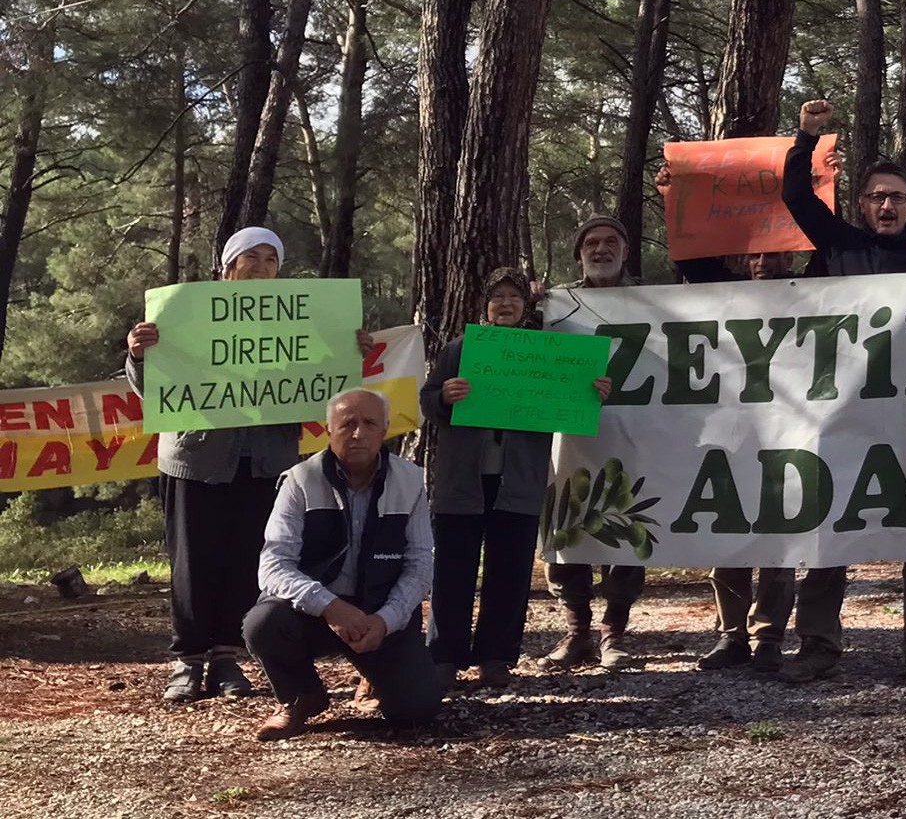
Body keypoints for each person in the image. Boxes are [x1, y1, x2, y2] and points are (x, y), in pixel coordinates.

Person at [122, 226, 371, 703]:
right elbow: (151, 387)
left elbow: (323, 394)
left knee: (247, 560)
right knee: (193, 563)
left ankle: (227, 658)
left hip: (265, 462)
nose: (260, 267)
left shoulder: (298, 325)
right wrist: (138, 354)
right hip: (195, 459)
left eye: (270, 260)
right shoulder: (187, 316)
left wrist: (347, 353)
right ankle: (187, 661)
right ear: (228, 266)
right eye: (249, 258)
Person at [781, 98, 906, 688]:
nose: (887, 206)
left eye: (898, 198)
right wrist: (806, 139)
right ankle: (818, 643)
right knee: (829, 519)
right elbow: (795, 198)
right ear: (862, 204)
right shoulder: (837, 243)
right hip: (839, 412)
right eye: (877, 197)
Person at [423, 268, 611, 690]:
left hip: (519, 484)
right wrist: (443, 396)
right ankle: (444, 656)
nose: (505, 303)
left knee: (508, 574)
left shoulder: (546, 356)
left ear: (526, 306)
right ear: (484, 306)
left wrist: (593, 392)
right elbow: (427, 401)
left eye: (514, 297)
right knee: (452, 572)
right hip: (461, 484)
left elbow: (572, 402)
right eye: (497, 297)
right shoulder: (460, 349)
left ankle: (495, 657)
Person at [242, 389, 441, 741]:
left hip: (380, 616)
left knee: (416, 712)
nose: (358, 433)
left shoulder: (410, 481)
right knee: (262, 623)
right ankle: (300, 698)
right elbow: (273, 566)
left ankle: (374, 677)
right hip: (316, 614)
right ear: (328, 429)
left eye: (369, 424)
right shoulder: (299, 480)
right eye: (347, 424)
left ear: (385, 430)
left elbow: (420, 565)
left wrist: (387, 619)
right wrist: (330, 607)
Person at [692, 249, 817, 676]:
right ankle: (732, 634)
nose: (764, 261)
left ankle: (768, 637)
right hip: (731, 436)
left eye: (776, 254)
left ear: (792, 258)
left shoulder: (814, 294)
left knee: (777, 540)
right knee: (727, 533)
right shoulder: (725, 296)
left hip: (788, 434)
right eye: (756, 254)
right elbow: (692, 263)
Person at [542, 214, 646, 671]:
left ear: (625, 251)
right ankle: (577, 631)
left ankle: (614, 633)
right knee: (568, 526)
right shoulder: (555, 306)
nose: (600, 250)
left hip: (634, 436)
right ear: (580, 253)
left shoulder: (653, 303)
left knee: (626, 527)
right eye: (591, 244)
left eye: (610, 242)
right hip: (571, 440)